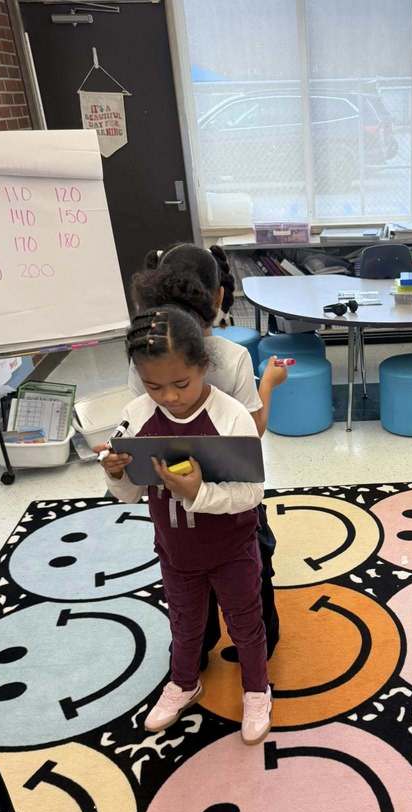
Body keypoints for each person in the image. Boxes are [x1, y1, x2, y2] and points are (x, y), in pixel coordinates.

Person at [100, 305, 273, 743]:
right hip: (176, 551)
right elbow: (130, 494)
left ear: (204, 367)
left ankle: (256, 689)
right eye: (154, 386)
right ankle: (183, 683)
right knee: (184, 622)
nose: (170, 397)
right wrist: (116, 472)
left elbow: (251, 494)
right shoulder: (136, 414)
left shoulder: (231, 416)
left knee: (246, 622)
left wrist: (198, 493)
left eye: (181, 383)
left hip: (232, 549)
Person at [130, 242, 284, 665]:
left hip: (173, 492)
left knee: (184, 573)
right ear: (218, 297)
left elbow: (142, 424)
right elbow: (252, 430)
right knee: (250, 563)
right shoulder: (230, 356)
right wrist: (268, 383)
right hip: (231, 487)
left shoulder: (143, 360)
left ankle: (195, 648)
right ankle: (261, 640)